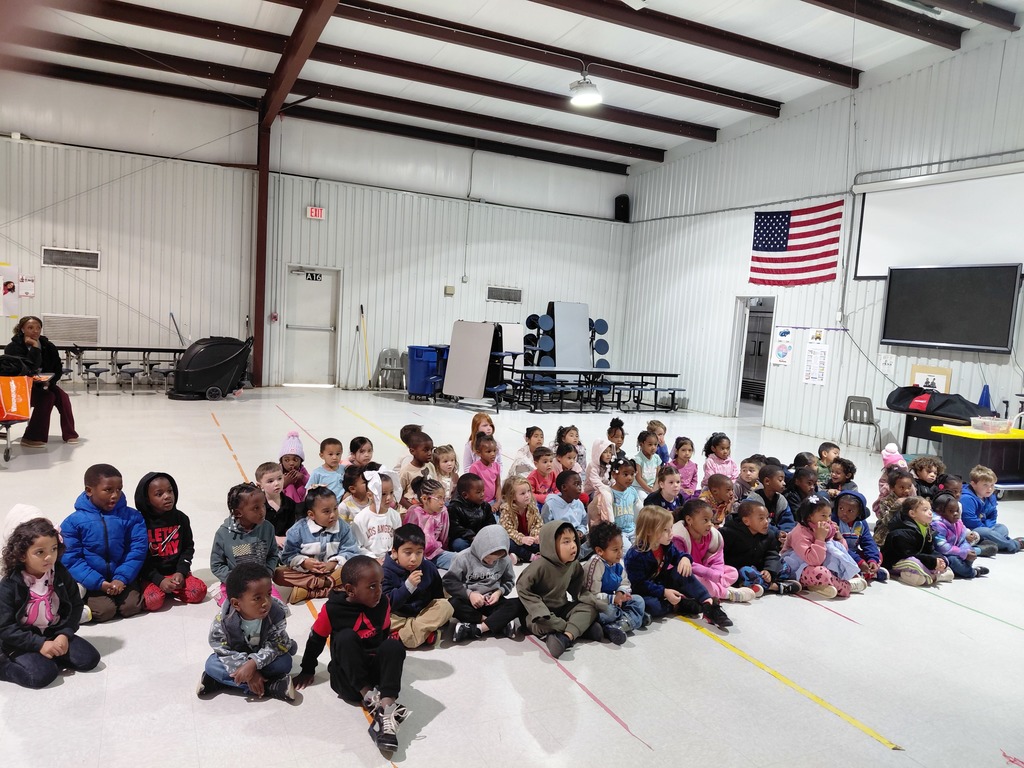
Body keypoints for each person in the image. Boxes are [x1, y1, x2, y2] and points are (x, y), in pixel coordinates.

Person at [295, 556, 409, 750]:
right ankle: (370, 699)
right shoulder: (332, 609)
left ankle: (386, 708)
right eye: (372, 587)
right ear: (350, 590)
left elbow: (384, 636)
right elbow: (316, 640)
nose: (379, 592)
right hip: (348, 680)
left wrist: (387, 666)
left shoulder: (383, 603)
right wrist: (308, 669)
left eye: (381, 584)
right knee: (345, 637)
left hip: (376, 680)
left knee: (394, 645)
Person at [0, 517, 100, 688]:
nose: (49, 557)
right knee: (41, 676)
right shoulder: (9, 585)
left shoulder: (60, 573)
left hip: (52, 631)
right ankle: (5, 664)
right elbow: (5, 628)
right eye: (40, 552)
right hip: (21, 639)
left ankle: (49, 655)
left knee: (89, 660)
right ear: (22, 555)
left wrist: (64, 634)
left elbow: (76, 605)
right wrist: (39, 645)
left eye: (53, 549)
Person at [197, 562, 296, 702]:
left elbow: (276, 645)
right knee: (212, 665)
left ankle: (218, 682)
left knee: (285, 663)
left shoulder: (276, 612)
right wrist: (250, 673)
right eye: (257, 598)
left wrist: (253, 664)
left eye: (268, 594)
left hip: (262, 657)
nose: (266, 602)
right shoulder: (223, 621)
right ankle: (270, 687)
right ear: (236, 604)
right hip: (236, 657)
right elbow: (222, 650)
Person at [61, 463, 147, 621]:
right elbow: (71, 559)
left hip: (124, 578)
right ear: (89, 490)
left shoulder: (133, 517)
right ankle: (75, 602)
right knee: (104, 612)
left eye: (119, 489)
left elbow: (137, 550)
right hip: (92, 581)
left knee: (131, 607)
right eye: (108, 490)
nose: (115, 495)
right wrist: (98, 583)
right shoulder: (73, 522)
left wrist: (121, 578)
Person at [624, 505, 732, 628]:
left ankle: (708, 604)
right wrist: (664, 592)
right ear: (649, 531)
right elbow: (640, 584)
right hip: (645, 590)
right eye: (666, 530)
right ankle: (679, 604)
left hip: (662, 582)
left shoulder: (666, 545)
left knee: (682, 571)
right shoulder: (636, 555)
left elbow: (679, 555)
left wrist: (685, 558)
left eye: (671, 528)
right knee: (650, 605)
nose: (671, 533)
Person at [517, 521, 599, 659]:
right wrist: (539, 611)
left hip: (561, 608)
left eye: (574, 540)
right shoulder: (539, 566)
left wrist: (594, 602)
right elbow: (523, 588)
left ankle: (565, 637)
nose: (573, 545)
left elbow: (578, 589)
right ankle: (576, 629)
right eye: (566, 542)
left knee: (589, 609)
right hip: (540, 615)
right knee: (546, 623)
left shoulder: (573, 565)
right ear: (551, 545)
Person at [134, 471, 207, 612]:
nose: (167, 496)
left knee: (198, 593)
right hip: (151, 575)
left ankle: (173, 588)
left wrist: (181, 571)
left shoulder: (181, 519)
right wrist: (158, 579)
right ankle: (157, 588)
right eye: (159, 494)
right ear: (147, 499)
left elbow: (188, 547)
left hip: (175, 573)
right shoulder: (140, 523)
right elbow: (139, 557)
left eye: (170, 491)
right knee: (153, 601)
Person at [274, 486, 360, 602]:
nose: (333, 515)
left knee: (357, 568)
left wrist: (334, 562)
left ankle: (310, 591)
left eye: (335, 509)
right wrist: (304, 562)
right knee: (278, 574)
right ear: (311, 515)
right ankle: (327, 586)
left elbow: (351, 551)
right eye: (326, 511)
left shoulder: (343, 527)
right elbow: (287, 556)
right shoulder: (298, 530)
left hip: (333, 571)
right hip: (306, 574)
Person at [4, 316, 78, 446]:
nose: (35, 331)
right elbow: (28, 367)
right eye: (30, 328)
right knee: (47, 397)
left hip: (45, 382)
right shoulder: (13, 347)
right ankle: (31, 437)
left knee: (63, 397)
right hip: (22, 387)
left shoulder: (48, 346)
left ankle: (70, 433)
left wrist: (50, 381)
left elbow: (57, 369)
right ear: (22, 329)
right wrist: (35, 348)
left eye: (38, 328)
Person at [443, 524, 521, 643]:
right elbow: (449, 582)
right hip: (470, 602)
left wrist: (499, 592)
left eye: (495, 560)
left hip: (492, 602)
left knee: (518, 603)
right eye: (488, 559)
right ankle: (498, 623)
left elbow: (509, 581)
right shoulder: (463, 558)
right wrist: (470, 594)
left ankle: (478, 628)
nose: (491, 562)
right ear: (480, 549)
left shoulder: (505, 560)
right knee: (452, 604)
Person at [382, 524, 454, 649]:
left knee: (446, 606)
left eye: (419, 552)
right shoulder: (385, 572)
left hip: (421, 614)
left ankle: (402, 636)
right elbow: (387, 604)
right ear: (395, 552)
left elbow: (437, 597)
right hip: (397, 616)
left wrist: (439, 616)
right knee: (380, 617)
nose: (414, 559)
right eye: (408, 553)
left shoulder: (428, 567)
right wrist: (408, 587)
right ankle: (422, 633)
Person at [210, 483, 282, 606]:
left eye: (263, 505)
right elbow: (217, 565)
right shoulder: (223, 534)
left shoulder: (268, 528)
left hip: (261, 583)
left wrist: (267, 573)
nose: (262, 511)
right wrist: (233, 581)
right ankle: (220, 592)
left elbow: (272, 555)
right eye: (256, 508)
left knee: (278, 608)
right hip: (237, 586)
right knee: (238, 610)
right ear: (238, 513)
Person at [781, 496, 865, 599]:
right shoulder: (799, 533)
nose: (828, 520)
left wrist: (839, 537)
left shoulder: (824, 527)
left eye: (829, 515)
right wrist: (820, 539)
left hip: (817, 561)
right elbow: (813, 561)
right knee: (821, 573)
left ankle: (827, 583)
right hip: (797, 568)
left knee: (839, 562)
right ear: (809, 517)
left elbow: (841, 551)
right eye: (823, 515)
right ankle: (846, 586)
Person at [673, 498, 753, 602]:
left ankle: (714, 588)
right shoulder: (679, 537)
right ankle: (728, 593)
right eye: (705, 520)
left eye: (711, 520)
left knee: (733, 572)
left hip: (707, 573)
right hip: (687, 574)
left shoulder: (713, 536)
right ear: (689, 520)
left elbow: (718, 560)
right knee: (696, 581)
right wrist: (710, 574)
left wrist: (716, 574)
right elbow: (681, 563)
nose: (710, 524)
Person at [582, 521, 647, 644]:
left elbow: (625, 582)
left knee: (638, 600)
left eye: (621, 548)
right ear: (600, 551)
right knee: (610, 612)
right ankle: (630, 620)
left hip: (615, 602)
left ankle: (619, 625)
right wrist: (613, 599)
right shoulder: (595, 564)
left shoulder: (617, 562)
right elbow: (591, 595)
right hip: (597, 605)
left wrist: (622, 592)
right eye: (615, 549)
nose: (620, 553)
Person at [721, 500, 800, 595]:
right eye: (761, 518)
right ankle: (775, 587)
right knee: (747, 573)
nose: (766, 522)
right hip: (738, 569)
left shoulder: (769, 534)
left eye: (767, 518)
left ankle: (760, 584)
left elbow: (772, 554)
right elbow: (722, 557)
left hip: (760, 568)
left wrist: (769, 570)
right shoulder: (728, 533)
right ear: (746, 521)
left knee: (785, 568)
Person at [881, 496, 952, 587]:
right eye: (925, 510)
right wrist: (931, 562)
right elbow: (908, 554)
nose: (930, 513)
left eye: (930, 509)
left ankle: (930, 575)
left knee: (946, 562)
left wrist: (939, 560)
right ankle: (932, 575)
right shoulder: (900, 533)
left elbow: (930, 550)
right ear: (912, 513)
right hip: (896, 561)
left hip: (917, 557)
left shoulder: (926, 529)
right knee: (914, 563)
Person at [960, 464, 1024, 553]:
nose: (990, 488)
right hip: (970, 530)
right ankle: (1014, 545)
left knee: (1002, 528)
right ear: (973, 484)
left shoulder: (989, 496)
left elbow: (993, 515)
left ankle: (987, 544)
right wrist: (988, 530)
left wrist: (989, 528)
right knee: (987, 532)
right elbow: (970, 521)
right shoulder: (966, 498)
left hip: (984, 528)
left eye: (992, 485)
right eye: (985, 485)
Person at [930, 492, 989, 580]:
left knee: (970, 551)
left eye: (957, 510)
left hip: (956, 550)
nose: (956, 513)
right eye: (951, 511)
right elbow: (942, 547)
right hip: (943, 555)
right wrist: (963, 553)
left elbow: (962, 539)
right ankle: (973, 572)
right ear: (940, 512)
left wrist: (966, 550)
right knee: (953, 560)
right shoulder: (937, 524)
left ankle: (964, 569)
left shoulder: (957, 521)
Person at [832, 490, 886, 584]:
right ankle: (866, 574)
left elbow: (868, 541)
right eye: (841, 508)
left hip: (854, 553)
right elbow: (836, 547)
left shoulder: (861, 524)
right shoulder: (834, 522)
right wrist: (859, 561)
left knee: (878, 554)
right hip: (840, 553)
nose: (844, 513)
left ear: (859, 512)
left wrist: (872, 559)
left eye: (850, 511)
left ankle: (869, 570)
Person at [403, 477, 454, 570]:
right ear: (425, 499)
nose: (442, 502)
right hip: (417, 556)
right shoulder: (414, 512)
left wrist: (445, 551)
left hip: (436, 553)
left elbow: (444, 536)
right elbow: (406, 537)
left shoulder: (443, 511)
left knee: (460, 559)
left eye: (443, 498)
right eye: (438, 498)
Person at [352, 473, 403, 563]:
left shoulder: (395, 515)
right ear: (370, 495)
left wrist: (393, 556)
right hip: (368, 561)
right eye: (383, 494)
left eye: (391, 493)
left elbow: (398, 542)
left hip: (391, 559)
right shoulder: (361, 518)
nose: (389, 498)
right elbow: (358, 546)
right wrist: (374, 559)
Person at [498, 475, 543, 564]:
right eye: (522, 493)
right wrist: (522, 539)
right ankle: (531, 557)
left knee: (544, 541)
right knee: (508, 544)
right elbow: (508, 530)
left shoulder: (533, 507)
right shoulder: (507, 509)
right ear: (513, 496)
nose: (527, 495)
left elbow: (539, 524)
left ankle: (518, 556)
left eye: (529, 491)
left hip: (528, 541)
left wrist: (536, 536)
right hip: (515, 540)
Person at [255, 461, 298, 545]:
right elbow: (254, 531)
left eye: (279, 478)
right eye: (270, 481)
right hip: (261, 545)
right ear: (260, 486)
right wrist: (274, 539)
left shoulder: (290, 503)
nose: (277, 483)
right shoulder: (256, 506)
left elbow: (292, 528)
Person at [448, 473, 493, 552]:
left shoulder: (485, 506)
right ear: (465, 495)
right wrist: (471, 536)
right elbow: (455, 529)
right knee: (459, 544)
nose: (482, 494)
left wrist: (484, 536)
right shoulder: (455, 507)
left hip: (481, 538)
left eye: (483, 491)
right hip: (465, 539)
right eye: (478, 492)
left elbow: (490, 523)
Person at [747, 464, 793, 541]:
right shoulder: (753, 501)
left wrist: (786, 532)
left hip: (779, 536)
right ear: (767, 481)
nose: (784, 483)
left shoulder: (781, 499)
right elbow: (758, 524)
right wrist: (777, 533)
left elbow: (787, 519)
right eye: (780, 480)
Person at [542, 470, 588, 545]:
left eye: (580, 484)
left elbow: (583, 521)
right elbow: (546, 527)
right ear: (564, 487)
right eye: (576, 484)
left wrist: (580, 531)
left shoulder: (579, 503)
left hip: (577, 537)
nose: (580, 488)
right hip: (559, 539)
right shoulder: (550, 505)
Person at [873, 468, 917, 546]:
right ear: (892, 487)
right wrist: (897, 505)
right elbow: (886, 521)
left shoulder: (913, 502)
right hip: (886, 538)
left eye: (909, 487)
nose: (906, 491)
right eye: (902, 487)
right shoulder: (885, 502)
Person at [605, 457, 643, 548]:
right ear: (615, 474)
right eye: (625, 474)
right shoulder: (609, 493)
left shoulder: (632, 491)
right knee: (628, 550)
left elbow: (639, 509)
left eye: (632, 474)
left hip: (632, 529)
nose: (630, 478)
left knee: (642, 548)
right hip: (618, 533)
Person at [467, 433, 502, 510]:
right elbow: (472, 489)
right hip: (479, 504)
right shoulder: (475, 468)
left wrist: (498, 502)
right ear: (479, 453)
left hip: (493, 502)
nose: (493, 454)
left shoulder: (496, 466)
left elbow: (498, 485)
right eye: (488, 451)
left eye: (494, 451)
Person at [584, 438, 614, 526]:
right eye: (605, 452)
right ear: (599, 453)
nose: (608, 455)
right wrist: (609, 489)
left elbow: (612, 480)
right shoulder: (592, 466)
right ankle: (607, 521)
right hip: (591, 492)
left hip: (605, 490)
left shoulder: (608, 465)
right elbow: (596, 483)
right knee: (604, 496)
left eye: (610, 452)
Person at [399, 431, 434, 508]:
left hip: (429, 509)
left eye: (431, 449)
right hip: (410, 512)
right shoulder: (406, 471)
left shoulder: (431, 466)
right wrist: (412, 509)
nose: (430, 453)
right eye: (426, 450)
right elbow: (398, 495)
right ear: (412, 451)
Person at [279, 431, 309, 505]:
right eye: (287, 460)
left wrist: (302, 477)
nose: (291, 463)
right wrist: (284, 483)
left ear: (300, 461)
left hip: (301, 500)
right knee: (290, 486)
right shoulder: (278, 471)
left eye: (295, 460)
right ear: (281, 461)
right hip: (284, 503)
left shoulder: (301, 470)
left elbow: (311, 482)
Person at [633, 430, 662, 495]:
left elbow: (658, 475)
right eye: (650, 445)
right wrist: (650, 490)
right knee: (643, 498)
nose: (653, 447)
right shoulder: (638, 459)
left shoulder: (657, 458)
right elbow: (638, 478)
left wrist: (654, 489)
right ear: (641, 444)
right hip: (640, 488)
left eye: (655, 444)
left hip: (654, 487)